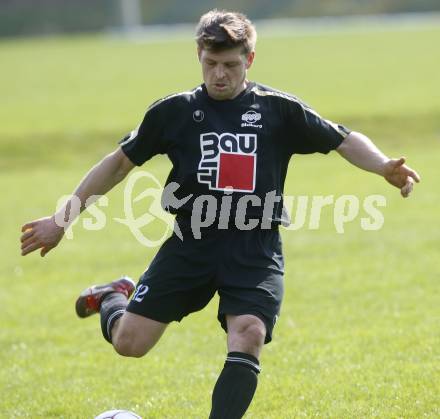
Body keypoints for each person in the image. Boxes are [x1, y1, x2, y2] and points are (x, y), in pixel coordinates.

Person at [20, 9, 420, 419]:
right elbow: (118, 164)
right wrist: (62, 219)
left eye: (230, 65)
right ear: (198, 54)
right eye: (211, 64)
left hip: (254, 246)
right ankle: (112, 297)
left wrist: (383, 165)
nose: (220, 75)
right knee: (130, 343)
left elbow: (343, 139)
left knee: (248, 334)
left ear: (249, 59)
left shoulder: (277, 110)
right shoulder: (173, 112)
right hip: (191, 243)